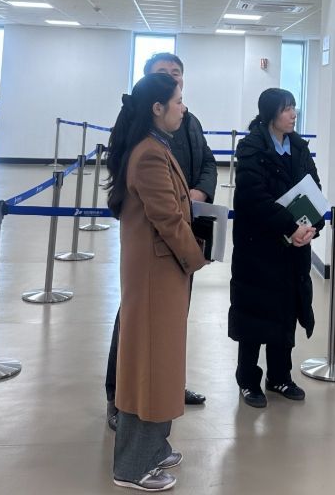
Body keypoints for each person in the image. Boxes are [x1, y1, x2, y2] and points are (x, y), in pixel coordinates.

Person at [106, 72, 209, 491]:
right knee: (147, 366)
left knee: (160, 363)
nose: (183, 108)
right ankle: (132, 467)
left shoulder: (155, 145)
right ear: (157, 107)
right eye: (178, 100)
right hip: (155, 273)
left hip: (162, 270)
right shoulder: (148, 154)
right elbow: (167, 218)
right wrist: (196, 256)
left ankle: (155, 447)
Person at [228, 88, 323, 408]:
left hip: (294, 247)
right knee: (254, 314)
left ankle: (280, 376)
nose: (293, 114)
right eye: (286, 109)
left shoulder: (298, 146)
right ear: (270, 113)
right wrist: (290, 227)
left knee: (286, 312)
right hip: (258, 247)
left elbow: (314, 189)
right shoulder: (251, 147)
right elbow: (253, 197)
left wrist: (311, 227)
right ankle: (248, 380)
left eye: (294, 107)